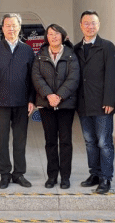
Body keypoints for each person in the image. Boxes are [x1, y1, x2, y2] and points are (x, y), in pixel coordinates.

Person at [0, 13, 36, 189]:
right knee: (2, 141)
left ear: (19, 27)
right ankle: (4, 175)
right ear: (2, 28)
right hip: (0, 104)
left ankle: (19, 174)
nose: (11, 28)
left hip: (22, 103)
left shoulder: (27, 50)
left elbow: (33, 78)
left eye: (14, 25)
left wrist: (31, 99)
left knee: (20, 141)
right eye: (8, 25)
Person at [74, 11, 115, 194]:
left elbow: (112, 75)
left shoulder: (107, 46)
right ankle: (94, 174)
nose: (90, 26)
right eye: (86, 23)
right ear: (80, 25)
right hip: (83, 103)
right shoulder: (76, 49)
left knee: (104, 142)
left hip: (102, 104)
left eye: (93, 23)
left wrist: (109, 100)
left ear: (98, 25)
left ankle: (106, 178)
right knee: (89, 142)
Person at [32, 24, 80, 189]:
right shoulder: (40, 55)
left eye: (57, 34)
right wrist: (49, 95)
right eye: (50, 34)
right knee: (50, 141)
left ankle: (65, 177)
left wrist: (59, 96)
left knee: (65, 141)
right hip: (46, 104)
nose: (54, 37)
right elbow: (36, 77)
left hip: (66, 104)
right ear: (46, 37)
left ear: (63, 36)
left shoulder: (71, 55)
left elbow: (73, 78)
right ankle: (52, 176)